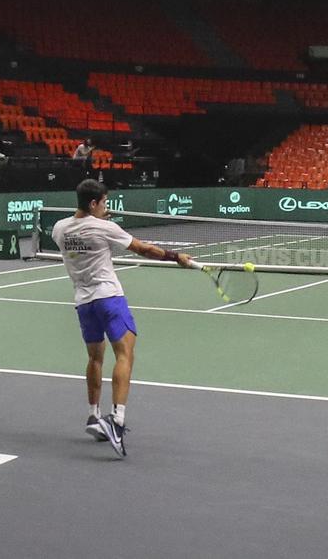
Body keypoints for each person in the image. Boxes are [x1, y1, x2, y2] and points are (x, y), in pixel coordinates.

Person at [50, 178, 193, 457]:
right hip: (109, 299)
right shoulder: (105, 228)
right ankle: (116, 422)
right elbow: (144, 249)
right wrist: (177, 257)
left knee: (95, 358)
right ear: (93, 203)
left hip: (83, 302)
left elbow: (82, 234)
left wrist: (99, 221)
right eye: (104, 203)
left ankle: (94, 415)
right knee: (125, 354)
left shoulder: (60, 229)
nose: (107, 207)